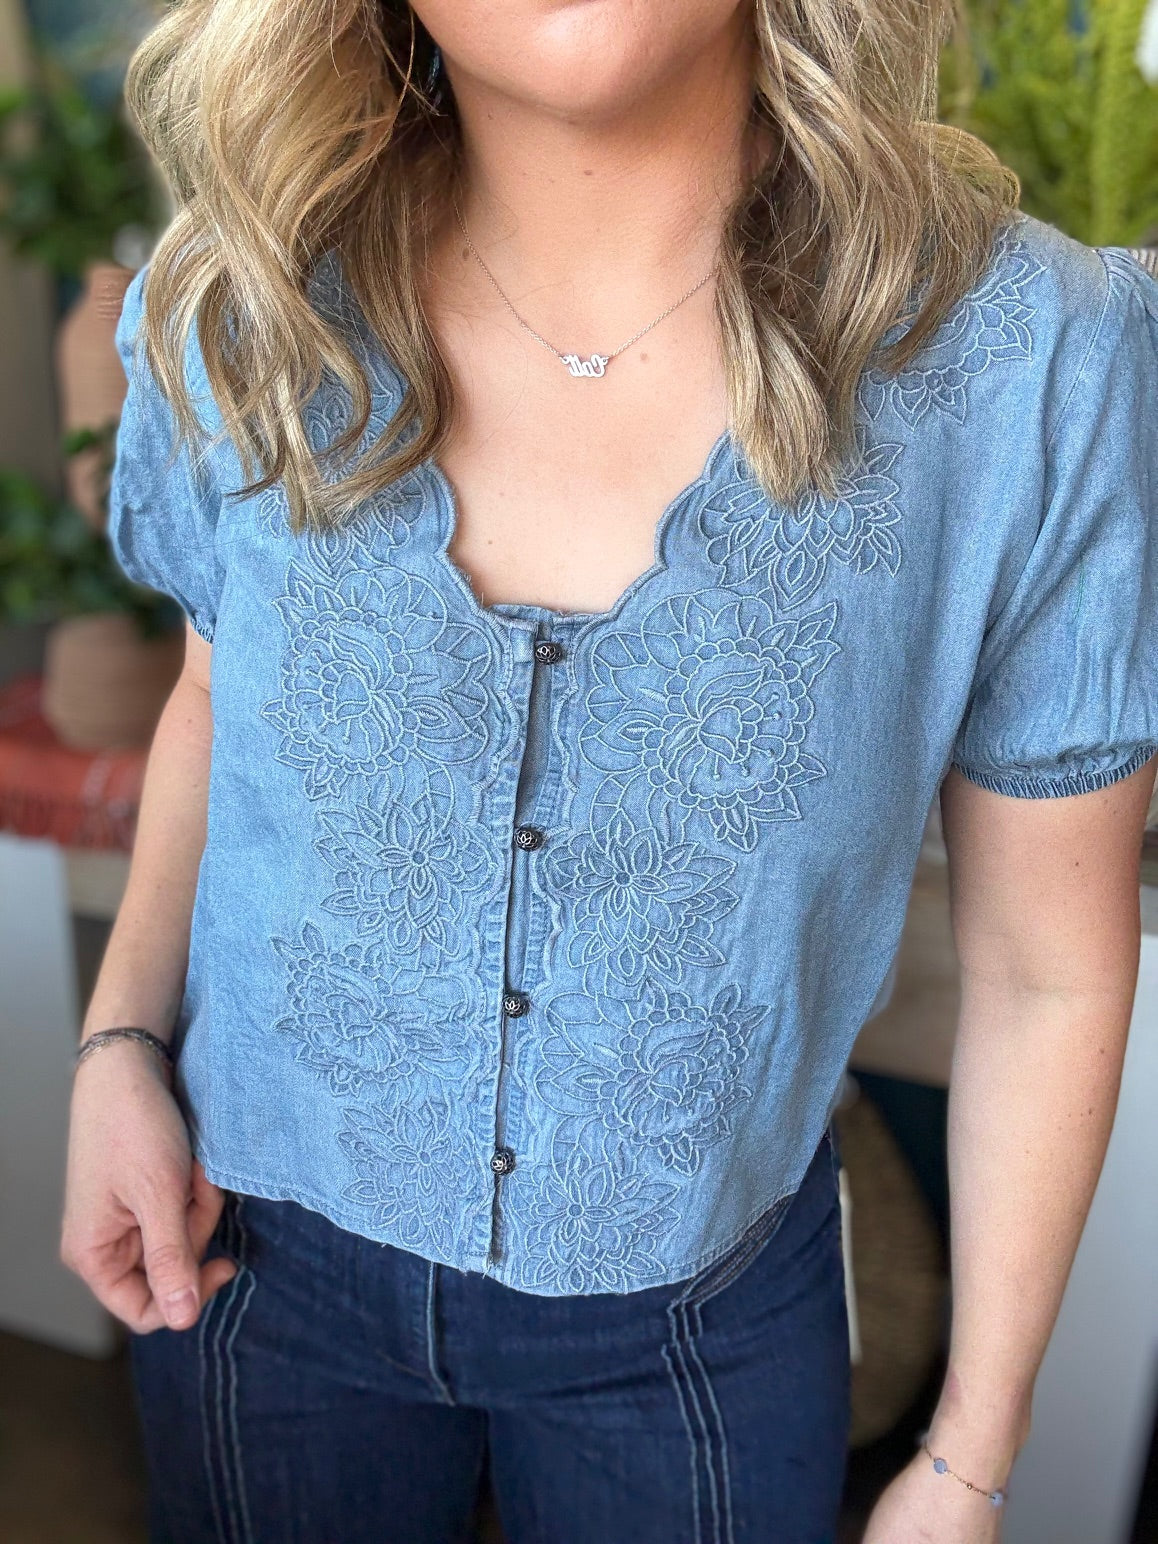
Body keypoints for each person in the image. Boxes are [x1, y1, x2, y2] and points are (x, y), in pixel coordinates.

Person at [61, 1, 1158, 1540]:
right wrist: (118, 1046)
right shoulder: (247, 296)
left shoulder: (1026, 362)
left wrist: (967, 1456)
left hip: (699, 1339)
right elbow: (213, 696)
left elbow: (1047, 968)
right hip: (247, 1264)